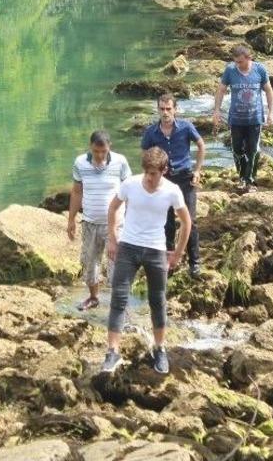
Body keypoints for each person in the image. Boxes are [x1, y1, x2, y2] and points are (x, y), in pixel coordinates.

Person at [100, 147, 192, 375]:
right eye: (147, 173)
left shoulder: (173, 191)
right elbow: (112, 209)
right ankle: (112, 351)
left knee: (157, 301)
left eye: (154, 174)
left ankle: (160, 349)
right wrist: (112, 239)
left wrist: (178, 253)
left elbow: (186, 222)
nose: (149, 178)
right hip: (128, 247)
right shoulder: (130, 184)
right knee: (118, 298)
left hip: (156, 249)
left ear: (164, 171)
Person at [140, 93, 205, 277]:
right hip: (165, 180)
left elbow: (201, 145)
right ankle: (168, 262)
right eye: (162, 109)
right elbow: (145, 155)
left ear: (175, 109)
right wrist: (149, 178)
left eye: (169, 108)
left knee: (190, 221)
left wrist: (198, 170)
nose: (165, 112)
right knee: (166, 222)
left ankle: (195, 263)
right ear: (158, 110)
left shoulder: (185, 127)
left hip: (186, 179)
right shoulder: (151, 132)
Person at [67, 130, 132, 311]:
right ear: (91, 148)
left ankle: (120, 304)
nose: (100, 155)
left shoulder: (120, 162)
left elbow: (129, 192)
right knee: (89, 262)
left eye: (103, 151)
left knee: (116, 264)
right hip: (89, 222)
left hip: (116, 224)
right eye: (96, 151)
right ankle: (94, 297)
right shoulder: (80, 163)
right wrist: (71, 219)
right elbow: (77, 192)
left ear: (109, 147)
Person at [212, 45, 273, 192]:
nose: (237, 64)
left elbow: (268, 91)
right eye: (235, 61)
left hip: (255, 119)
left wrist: (271, 112)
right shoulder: (230, 70)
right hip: (236, 119)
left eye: (240, 62)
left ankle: (250, 181)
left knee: (252, 150)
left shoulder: (260, 69)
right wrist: (216, 111)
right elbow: (221, 90)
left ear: (249, 58)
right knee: (237, 149)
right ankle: (242, 177)